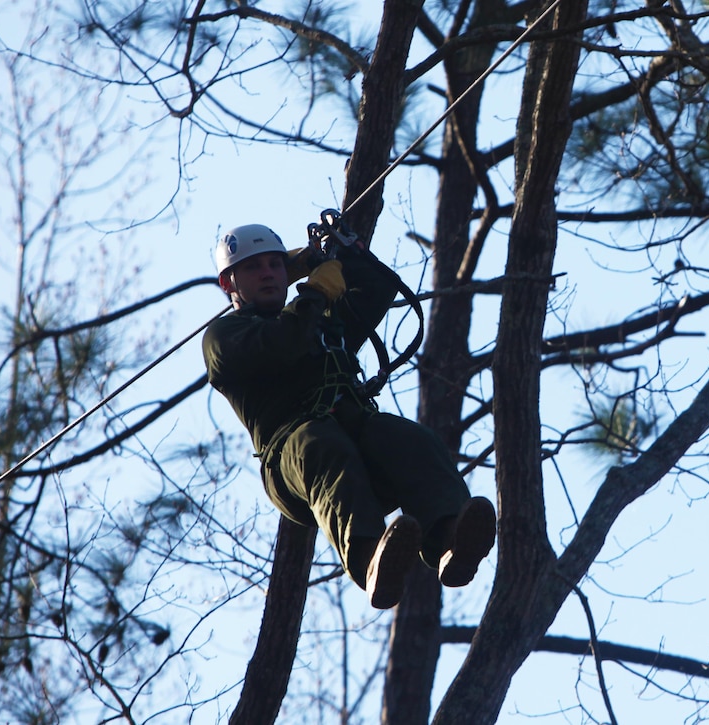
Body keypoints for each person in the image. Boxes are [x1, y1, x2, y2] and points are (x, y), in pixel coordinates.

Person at [201, 222, 496, 609]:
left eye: (275, 265)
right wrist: (314, 291)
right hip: (293, 458)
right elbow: (283, 344)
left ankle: (449, 538)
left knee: (409, 439)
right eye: (254, 268)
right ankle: (370, 562)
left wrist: (338, 255)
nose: (268, 274)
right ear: (229, 283)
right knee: (320, 442)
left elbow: (375, 288)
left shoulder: (318, 322)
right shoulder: (224, 337)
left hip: (356, 434)